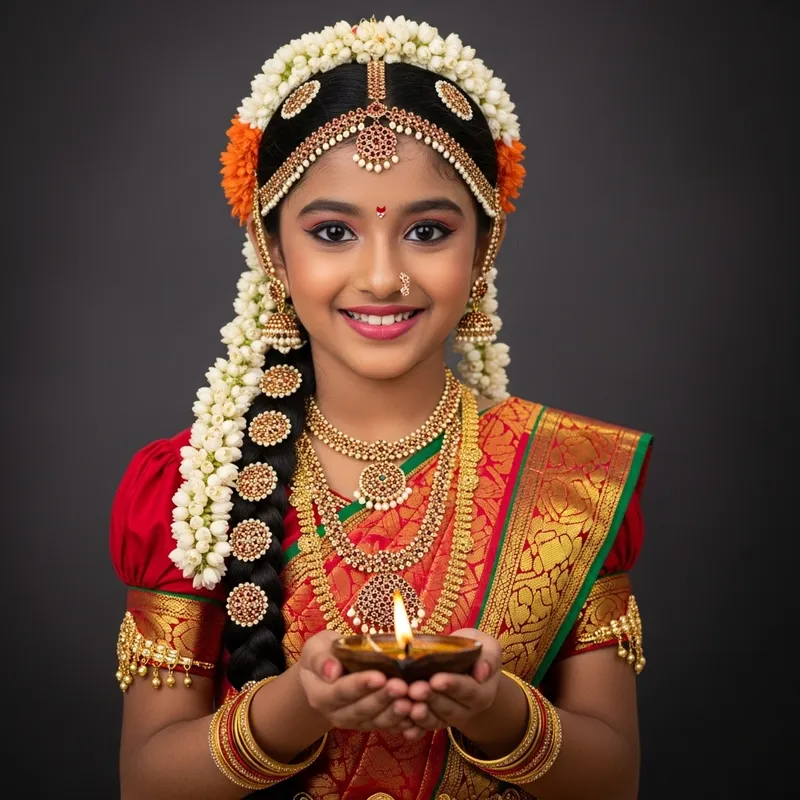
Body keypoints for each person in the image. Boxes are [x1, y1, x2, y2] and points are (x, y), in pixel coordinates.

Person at [110, 15, 652, 800]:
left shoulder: (571, 481)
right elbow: (145, 783)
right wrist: (295, 707)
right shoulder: (194, 491)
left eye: (427, 231)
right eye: (333, 231)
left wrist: (498, 710)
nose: (381, 277)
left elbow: (615, 781)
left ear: (483, 249)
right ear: (272, 251)